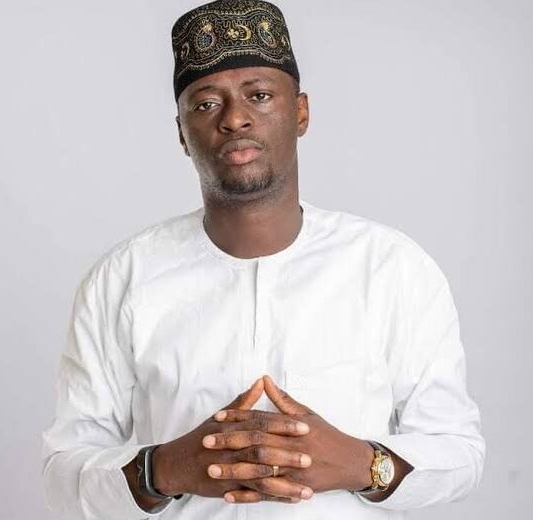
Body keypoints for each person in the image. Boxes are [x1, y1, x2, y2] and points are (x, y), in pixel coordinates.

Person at [41, 1, 485, 519]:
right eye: (206, 103)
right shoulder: (123, 279)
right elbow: (63, 474)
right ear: (182, 133)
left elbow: (459, 452)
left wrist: (363, 463)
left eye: (259, 95)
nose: (234, 118)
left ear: (300, 112)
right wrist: (163, 469)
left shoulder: (392, 268)